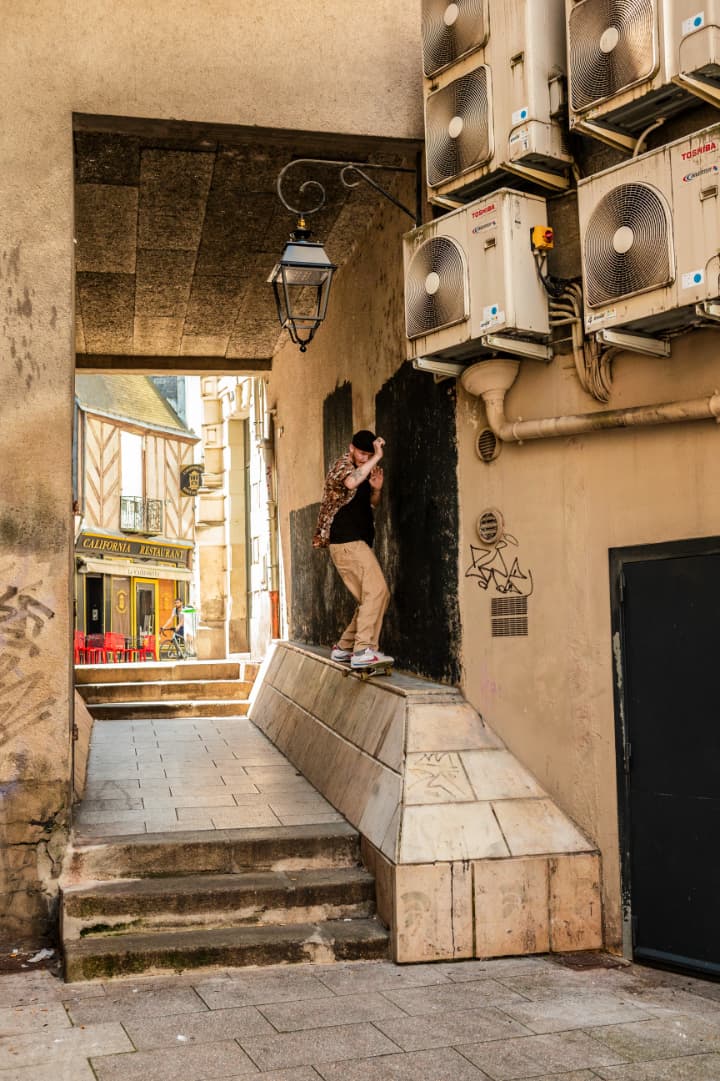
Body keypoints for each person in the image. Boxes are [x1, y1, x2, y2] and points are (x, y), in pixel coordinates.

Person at [313, 429, 393, 670]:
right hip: (347, 542)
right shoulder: (342, 465)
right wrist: (377, 456)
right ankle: (363, 650)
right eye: (361, 453)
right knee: (377, 592)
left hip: (356, 543)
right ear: (351, 448)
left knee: (372, 597)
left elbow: (371, 505)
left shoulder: (365, 470)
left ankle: (344, 648)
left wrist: (376, 489)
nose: (364, 458)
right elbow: (350, 482)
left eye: (368, 454)